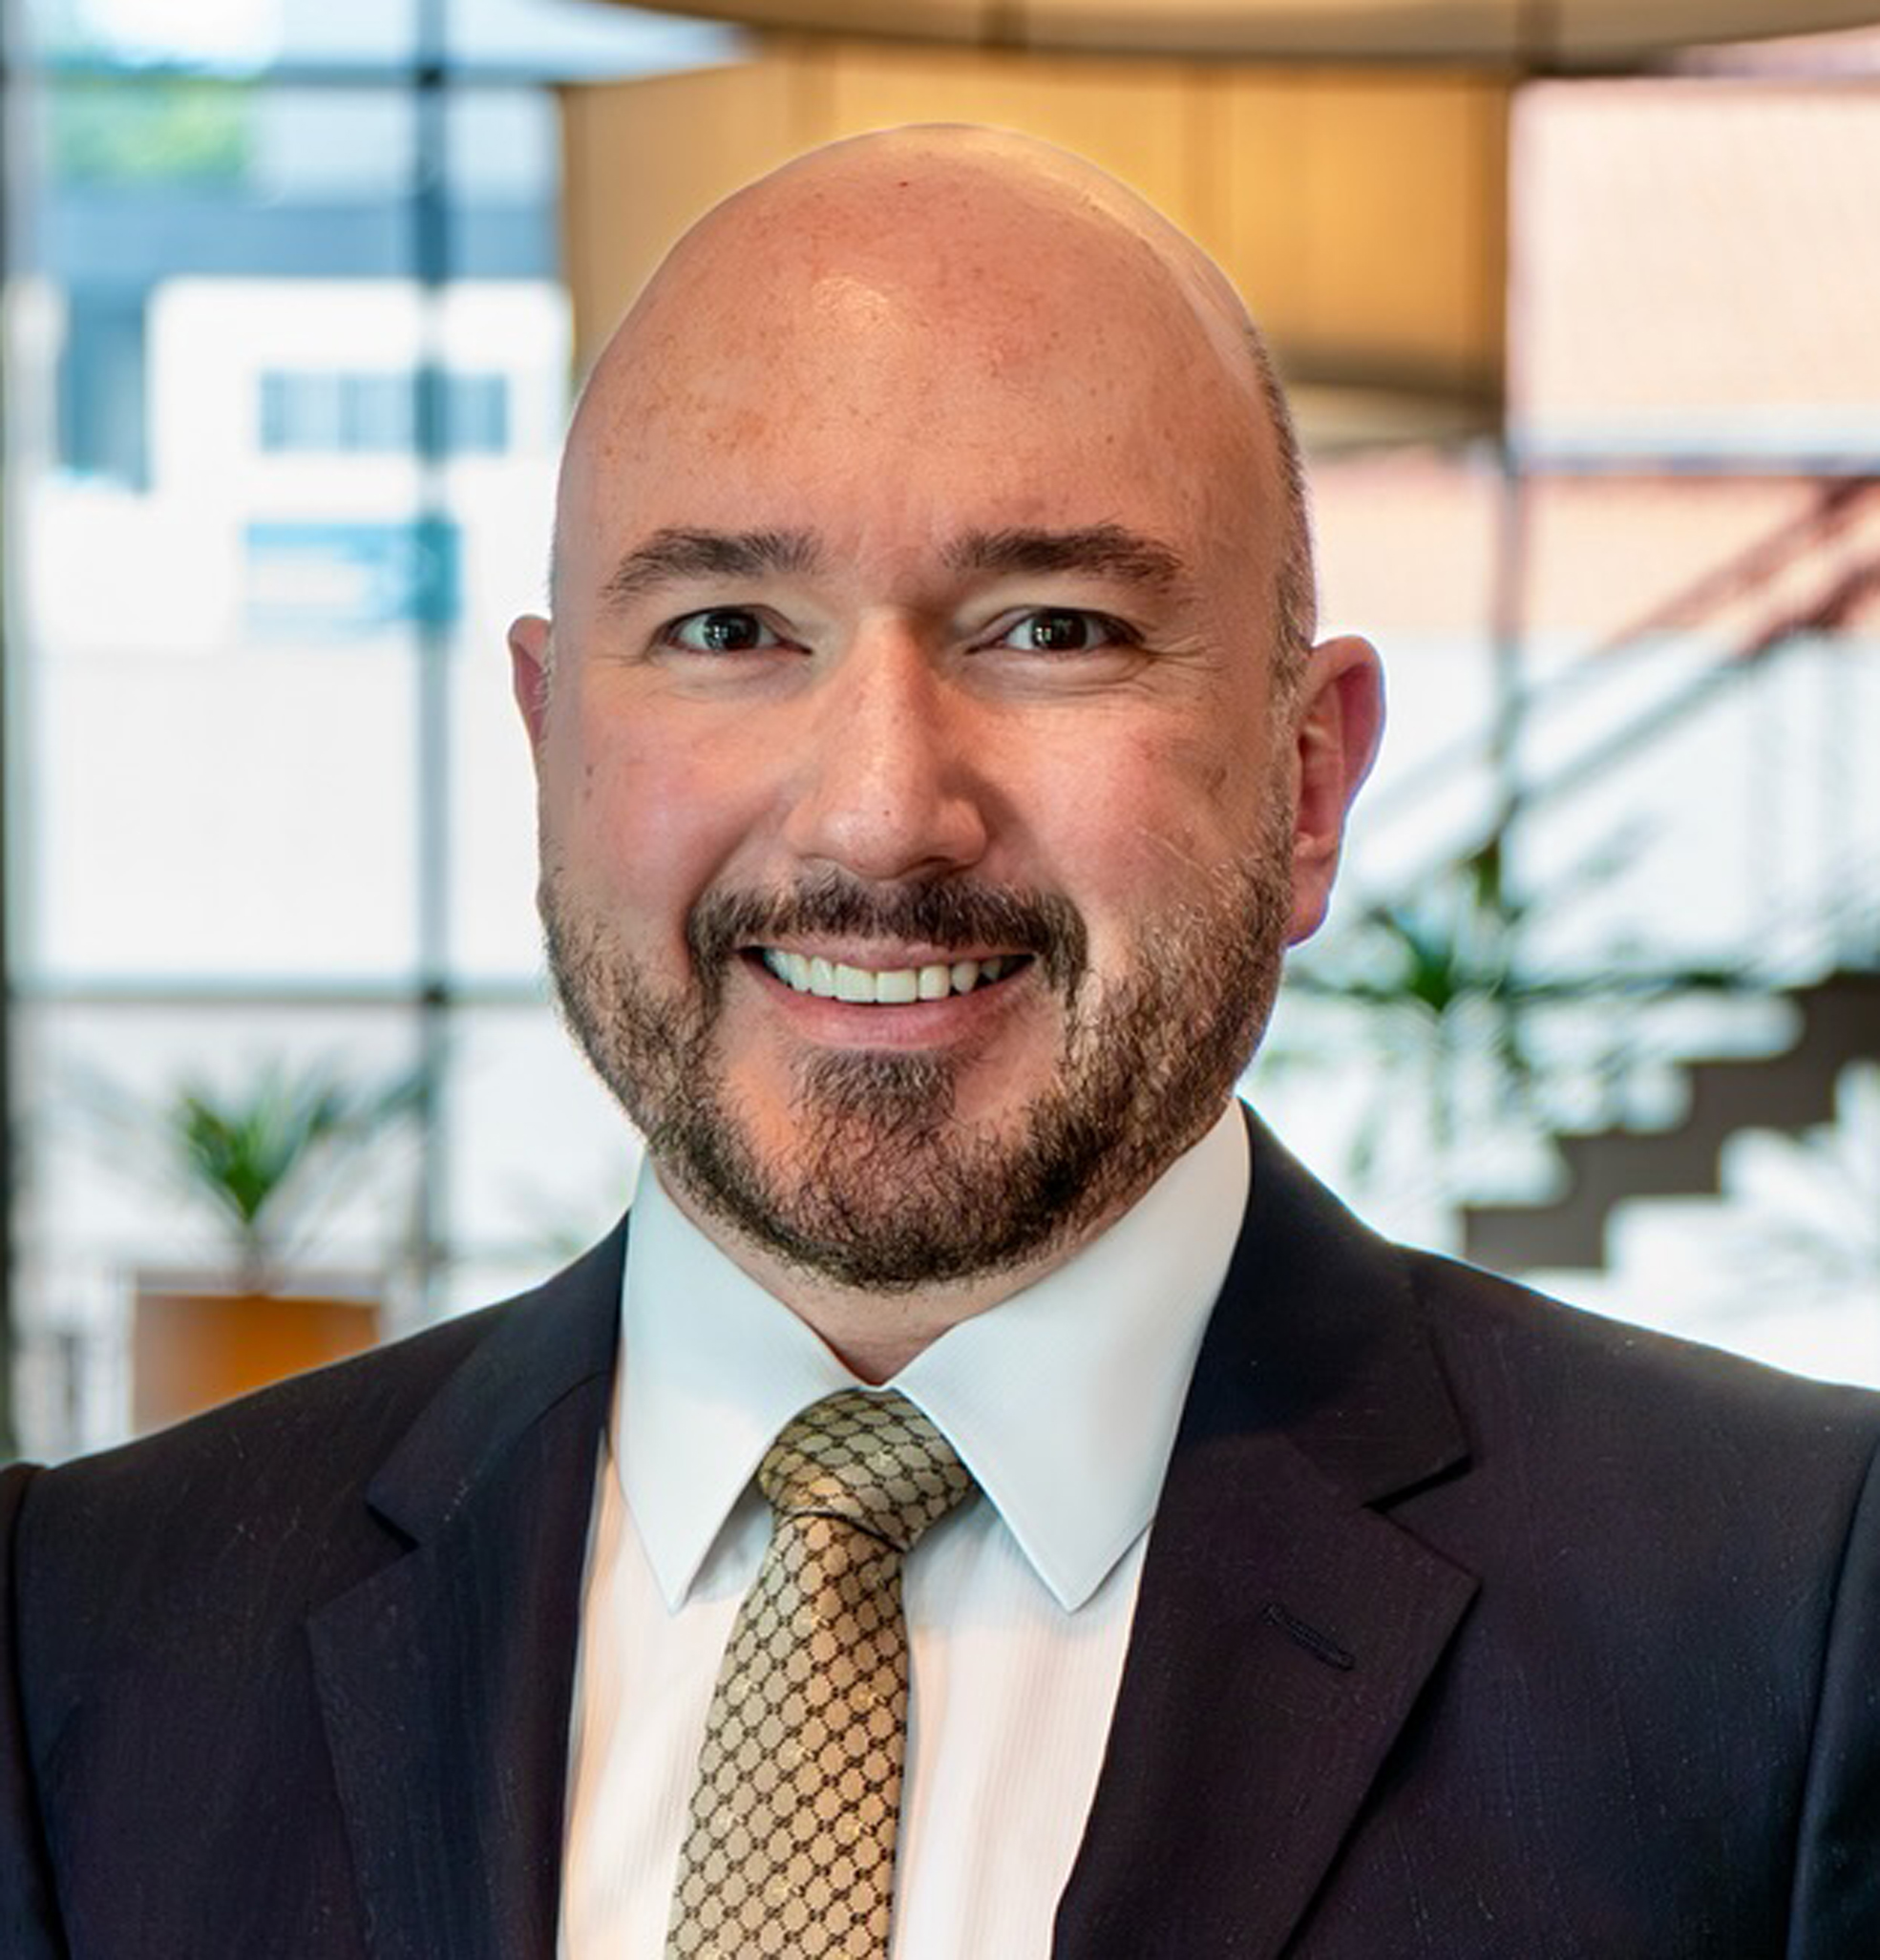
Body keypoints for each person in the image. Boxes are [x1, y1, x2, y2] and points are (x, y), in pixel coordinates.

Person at [4, 124, 1877, 1960]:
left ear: (1306, 781)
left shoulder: (1784, 1618)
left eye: (1052, 629)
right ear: (549, 746)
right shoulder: (80, 1632)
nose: (882, 815)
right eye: (728, 627)